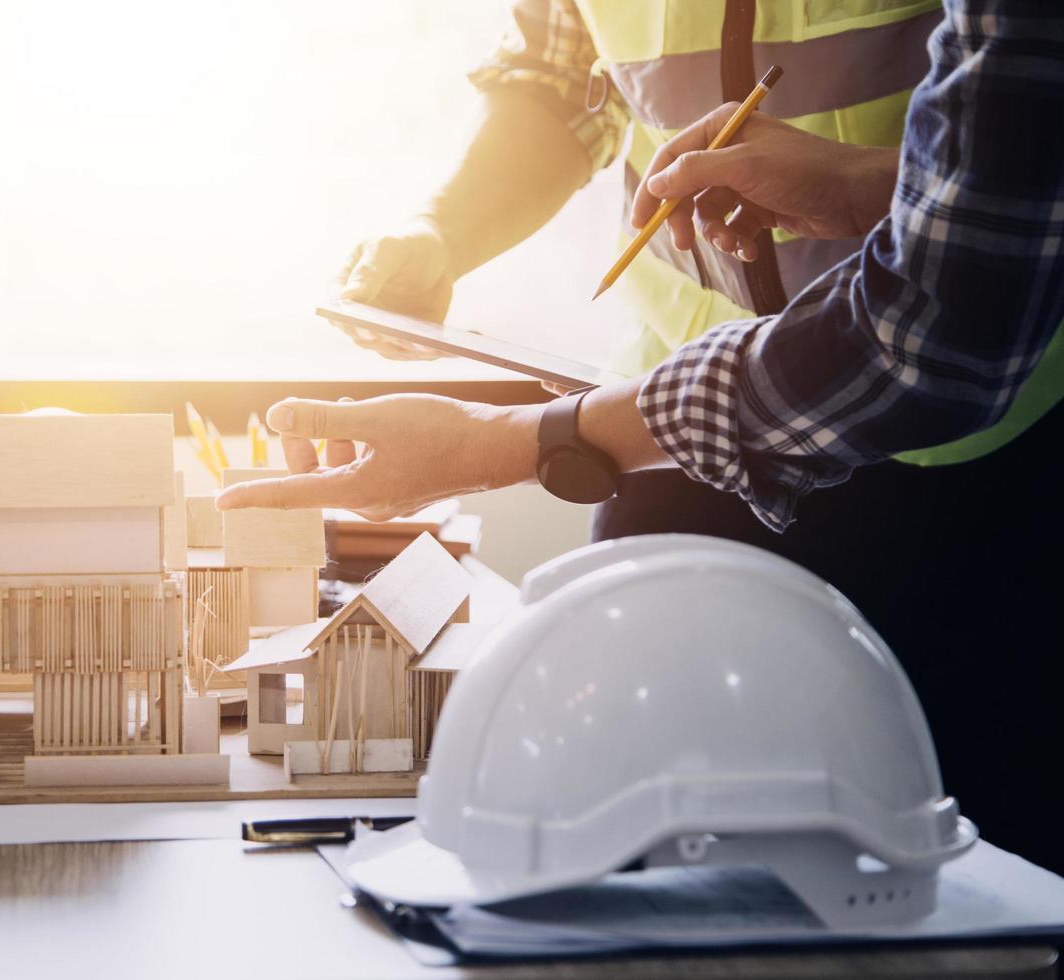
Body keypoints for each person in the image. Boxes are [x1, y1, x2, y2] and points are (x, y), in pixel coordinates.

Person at [220, 1, 1064, 870]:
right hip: (666, 439)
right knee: (629, 845)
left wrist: (512, 441)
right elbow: (561, 71)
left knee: (983, 860)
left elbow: (940, 317)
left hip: (972, 460)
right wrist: (444, 229)